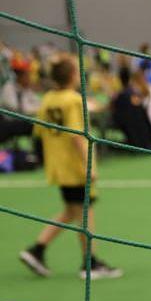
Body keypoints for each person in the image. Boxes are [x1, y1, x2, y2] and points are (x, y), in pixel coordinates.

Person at [19, 56, 123, 280]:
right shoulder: (73, 100)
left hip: (58, 165)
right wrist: (89, 166)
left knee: (71, 211)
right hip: (75, 165)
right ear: (73, 76)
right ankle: (90, 263)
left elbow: (40, 131)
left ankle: (36, 250)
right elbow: (77, 135)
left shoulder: (47, 99)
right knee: (86, 212)